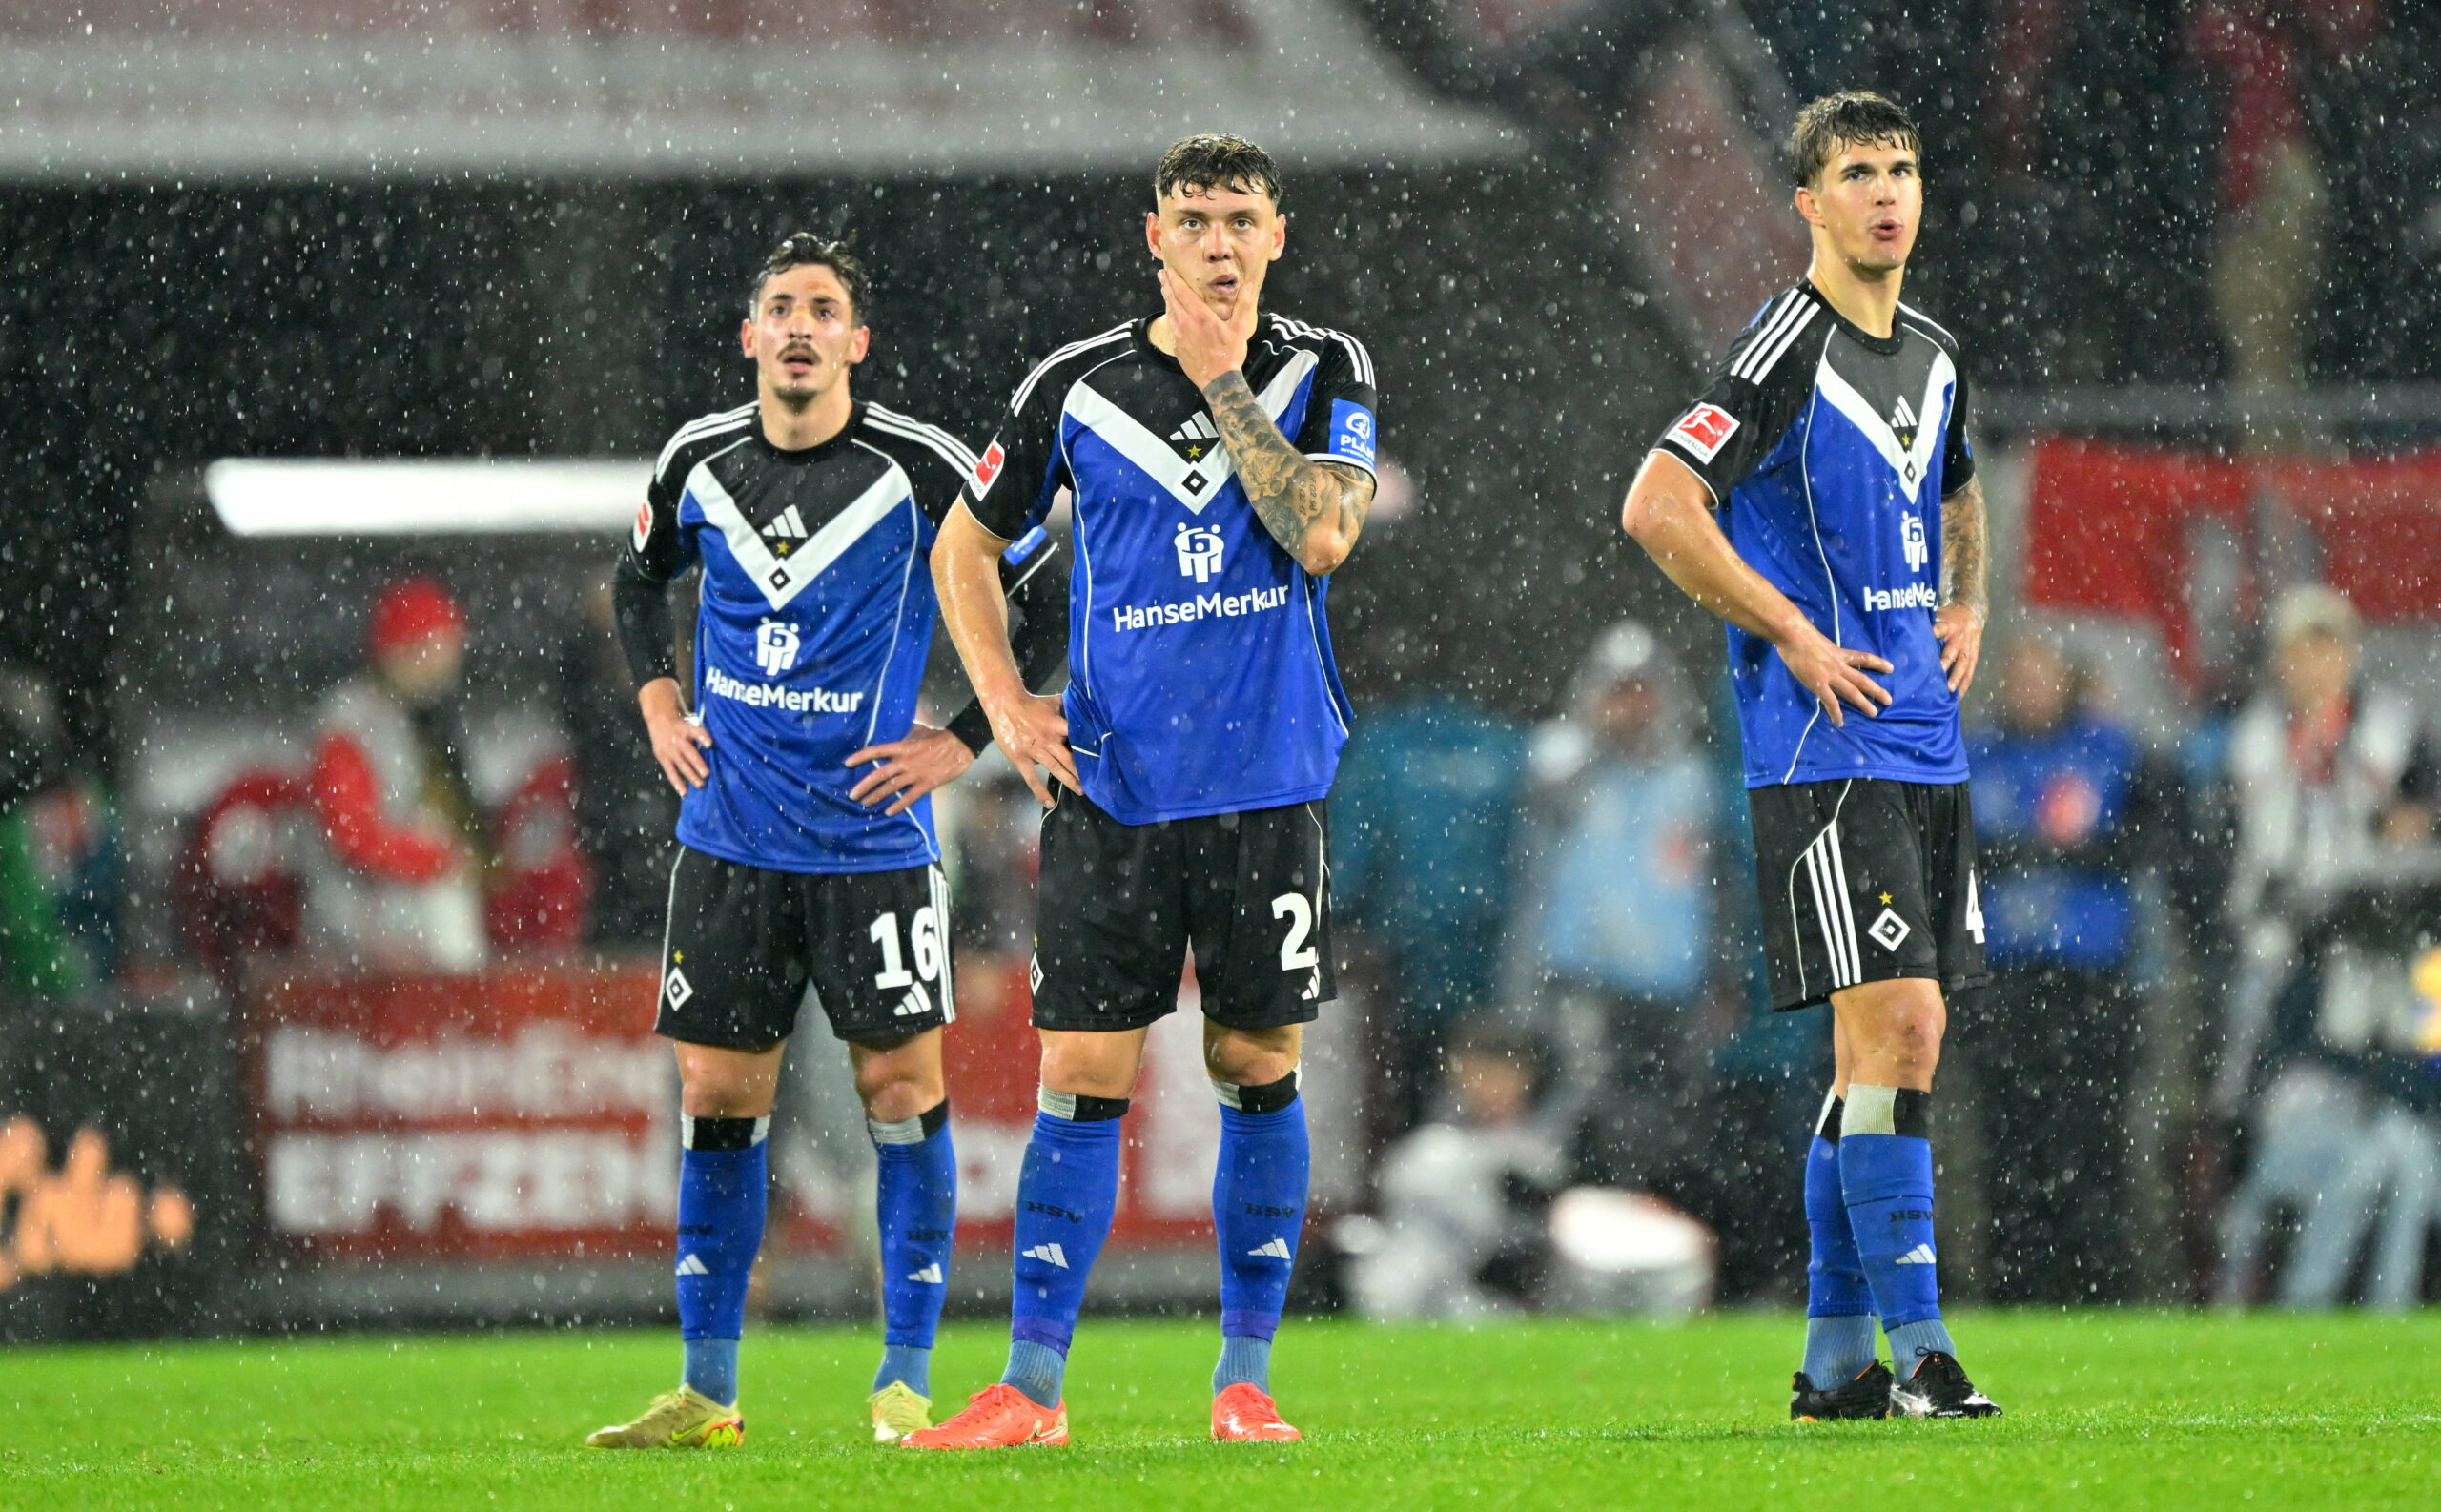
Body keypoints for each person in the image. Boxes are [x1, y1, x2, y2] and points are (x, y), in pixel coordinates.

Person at [908, 133, 1379, 1450]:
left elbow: (1322, 530)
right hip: (1115, 787)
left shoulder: (1322, 368)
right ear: (1152, 237)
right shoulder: (1073, 385)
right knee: (1083, 1071)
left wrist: (1231, 385)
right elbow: (966, 543)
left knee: (1250, 1059)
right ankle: (1033, 1390)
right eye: (1194, 220)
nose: (1219, 242)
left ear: (1277, 235)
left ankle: (1244, 1382)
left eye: (1241, 219)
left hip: (1268, 781)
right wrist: (1000, 705)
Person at [585, 233, 1067, 1451]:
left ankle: (903, 1379)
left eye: (824, 310)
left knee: (900, 1091)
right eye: (780, 309)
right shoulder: (697, 460)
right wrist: (656, 702)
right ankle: (706, 1389)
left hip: (873, 846)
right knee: (717, 1095)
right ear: (749, 337)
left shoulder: (921, 466)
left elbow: (1050, 592)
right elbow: (635, 583)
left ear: (857, 341)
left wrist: (963, 740)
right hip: (732, 842)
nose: (800, 326)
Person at [1618, 92, 2000, 1419]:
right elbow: (1657, 502)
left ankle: (1835, 1364)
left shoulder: (1939, 353)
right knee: (1901, 1024)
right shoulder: (1782, 346)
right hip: (1824, 742)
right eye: (1857, 173)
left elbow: (1958, 484)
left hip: (1926, 743)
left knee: (1880, 1054)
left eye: (1901, 168)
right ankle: (1924, 1349)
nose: (1886, 192)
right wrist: (1786, 627)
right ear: (1809, 205)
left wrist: (1972, 601)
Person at [1961, 634, 2152, 1302]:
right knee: (2011, 1143)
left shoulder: (2110, 752)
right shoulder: (1979, 755)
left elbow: (2139, 844)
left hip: (2089, 985)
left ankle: (2100, 1285)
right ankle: (2016, 1285)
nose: (2030, 691)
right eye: (2019, 678)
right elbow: (1961, 858)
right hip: (2010, 985)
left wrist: (2057, 854)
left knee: (2095, 1140)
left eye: (2042, 676)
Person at [1507, 621, 1721, 1192]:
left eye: (1643, 690)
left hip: (1669, 985)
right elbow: (1530, 870)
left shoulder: (1691, 778)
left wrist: (1720, 976)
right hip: (1582, 977)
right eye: (1619, 690)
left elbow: (1709, 886)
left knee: (1665, 1118)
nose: (1633, 706)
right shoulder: (1561, 764)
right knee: (1580, 1107)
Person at [302, 577, 488, 971]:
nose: (449, 662)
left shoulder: (406, 717)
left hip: (392, 934)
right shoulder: (353, 722)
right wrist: (439, 859)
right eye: (439, 647)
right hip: (358, 937)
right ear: (404, 650)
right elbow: (351, 835)